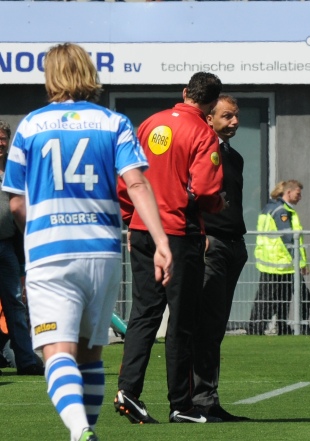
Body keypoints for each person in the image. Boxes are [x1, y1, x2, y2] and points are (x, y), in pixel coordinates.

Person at [2, 43, 172, 441]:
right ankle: (87, 430)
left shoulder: (30, 126)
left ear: (50, 76)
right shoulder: (114, 123)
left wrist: (39, 226)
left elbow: (15, 203)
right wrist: (162, 241)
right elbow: (136, 183)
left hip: (51, 250)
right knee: (91, 354)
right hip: (101, 248)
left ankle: (80, 431)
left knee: (57, 352)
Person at [115, 72, 226, 424]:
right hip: (179, 234)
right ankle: (182, 404)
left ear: (184, 92)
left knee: (144, 313)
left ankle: (127, 391)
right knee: (182, 321)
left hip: (143, 230)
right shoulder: (203, 133)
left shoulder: (150, 124)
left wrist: (131, 218)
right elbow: (206, 191)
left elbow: (126, 177)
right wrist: (218, 204)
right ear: (211, 104)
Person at [192, 95, 250, 421]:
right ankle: (198, 401)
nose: (235, 122)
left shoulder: (234, 157)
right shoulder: (200, 152)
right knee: (205, 326)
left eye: (236, 116)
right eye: (227, 116)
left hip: (233, 246)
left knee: (215, 328)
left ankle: (208, 399)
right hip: (210, 245)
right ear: (209, 117)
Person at [0, 118, 44, 376]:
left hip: (7, 246)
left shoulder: (15, 171)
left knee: (16, 305)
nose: (1, 142)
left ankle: (26, 361)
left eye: (4, 137)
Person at [249, 180, 310, 336]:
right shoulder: (281, 211)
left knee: (276, 298)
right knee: (275, 299)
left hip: (275, 262)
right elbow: (289, 238)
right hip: (280, 263)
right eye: (298, 193)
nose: (300, 197)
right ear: (288, 192)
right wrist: (301, 263)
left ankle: (276, 328)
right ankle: (295, 327)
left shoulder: (270, 208)